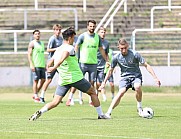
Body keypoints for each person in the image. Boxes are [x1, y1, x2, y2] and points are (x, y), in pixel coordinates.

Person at [29, 27, 109, 121]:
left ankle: (40, 112)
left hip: (63, 80)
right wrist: (55, 67)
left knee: (55, 102)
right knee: (92, 92)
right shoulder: (70, 48)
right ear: (70, 37)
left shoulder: (58, 49)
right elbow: (65, 54)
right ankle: (100, 115)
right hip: (76, 78)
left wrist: (49, 67)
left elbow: (50, 61)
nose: (74, 40)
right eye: (73, 37)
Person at [99, 38, 161, 119]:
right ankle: (108, 113)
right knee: (121, 92)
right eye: (122, 48)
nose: (124, 50)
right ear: (118, 47)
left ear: (127, 46)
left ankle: (139, 108)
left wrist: (155, 78)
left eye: (125, 48)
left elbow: (146, 65)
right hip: (124, 78)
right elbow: (110, 70)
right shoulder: (116, 57)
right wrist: (104, 82)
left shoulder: (135, 54)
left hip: (136, 76)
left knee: (137, 86)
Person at [66, 20, 109, 106]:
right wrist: (72, 57)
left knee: (91, 83)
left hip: (93, 64)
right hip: (83, 63)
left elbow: (101, 49)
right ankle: (70, 98)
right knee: (76, 81)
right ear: (87, 26)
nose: (92, 28)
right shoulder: (83, 36)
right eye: (90, 26)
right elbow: (76, 47)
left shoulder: (97, 37)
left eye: (93, 26)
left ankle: (91, 100)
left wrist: (107, 60)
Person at [39, 24, 63, 103]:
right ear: (54, 31)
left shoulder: (61, 39)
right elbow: (48, 50)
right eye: (56, 30)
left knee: (62, 79)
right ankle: (42, 96)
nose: (58, 31)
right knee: (49, 80)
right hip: (52, 62)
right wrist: (57, 49)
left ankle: (57, 95)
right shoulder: (52, 39)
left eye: (59, 30)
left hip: (59, 62)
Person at [28, 29, 46, 102]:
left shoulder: (42, 43)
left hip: (41, 65)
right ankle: (36, 96)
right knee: (35, 80)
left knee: (43, 80)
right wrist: (31, 64)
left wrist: (44, 65)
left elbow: (42, 55)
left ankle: (35, 93)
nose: (37, 35)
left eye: (38, 34)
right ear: (33, 35)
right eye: (36, 34)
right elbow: (29, 54)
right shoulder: (32, 43)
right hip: (35, 65)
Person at [95, 26, 109, 102]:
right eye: (101, 32)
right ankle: (95, 96)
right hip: (94, 64)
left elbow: (106, 54)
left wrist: (108, 61)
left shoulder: (106, 43)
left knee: (100, 82)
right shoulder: (95, 41)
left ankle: (103, 96)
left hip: (102, 65)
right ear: (98, 33)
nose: (103, 34)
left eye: (104, 32)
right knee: (94, 82)